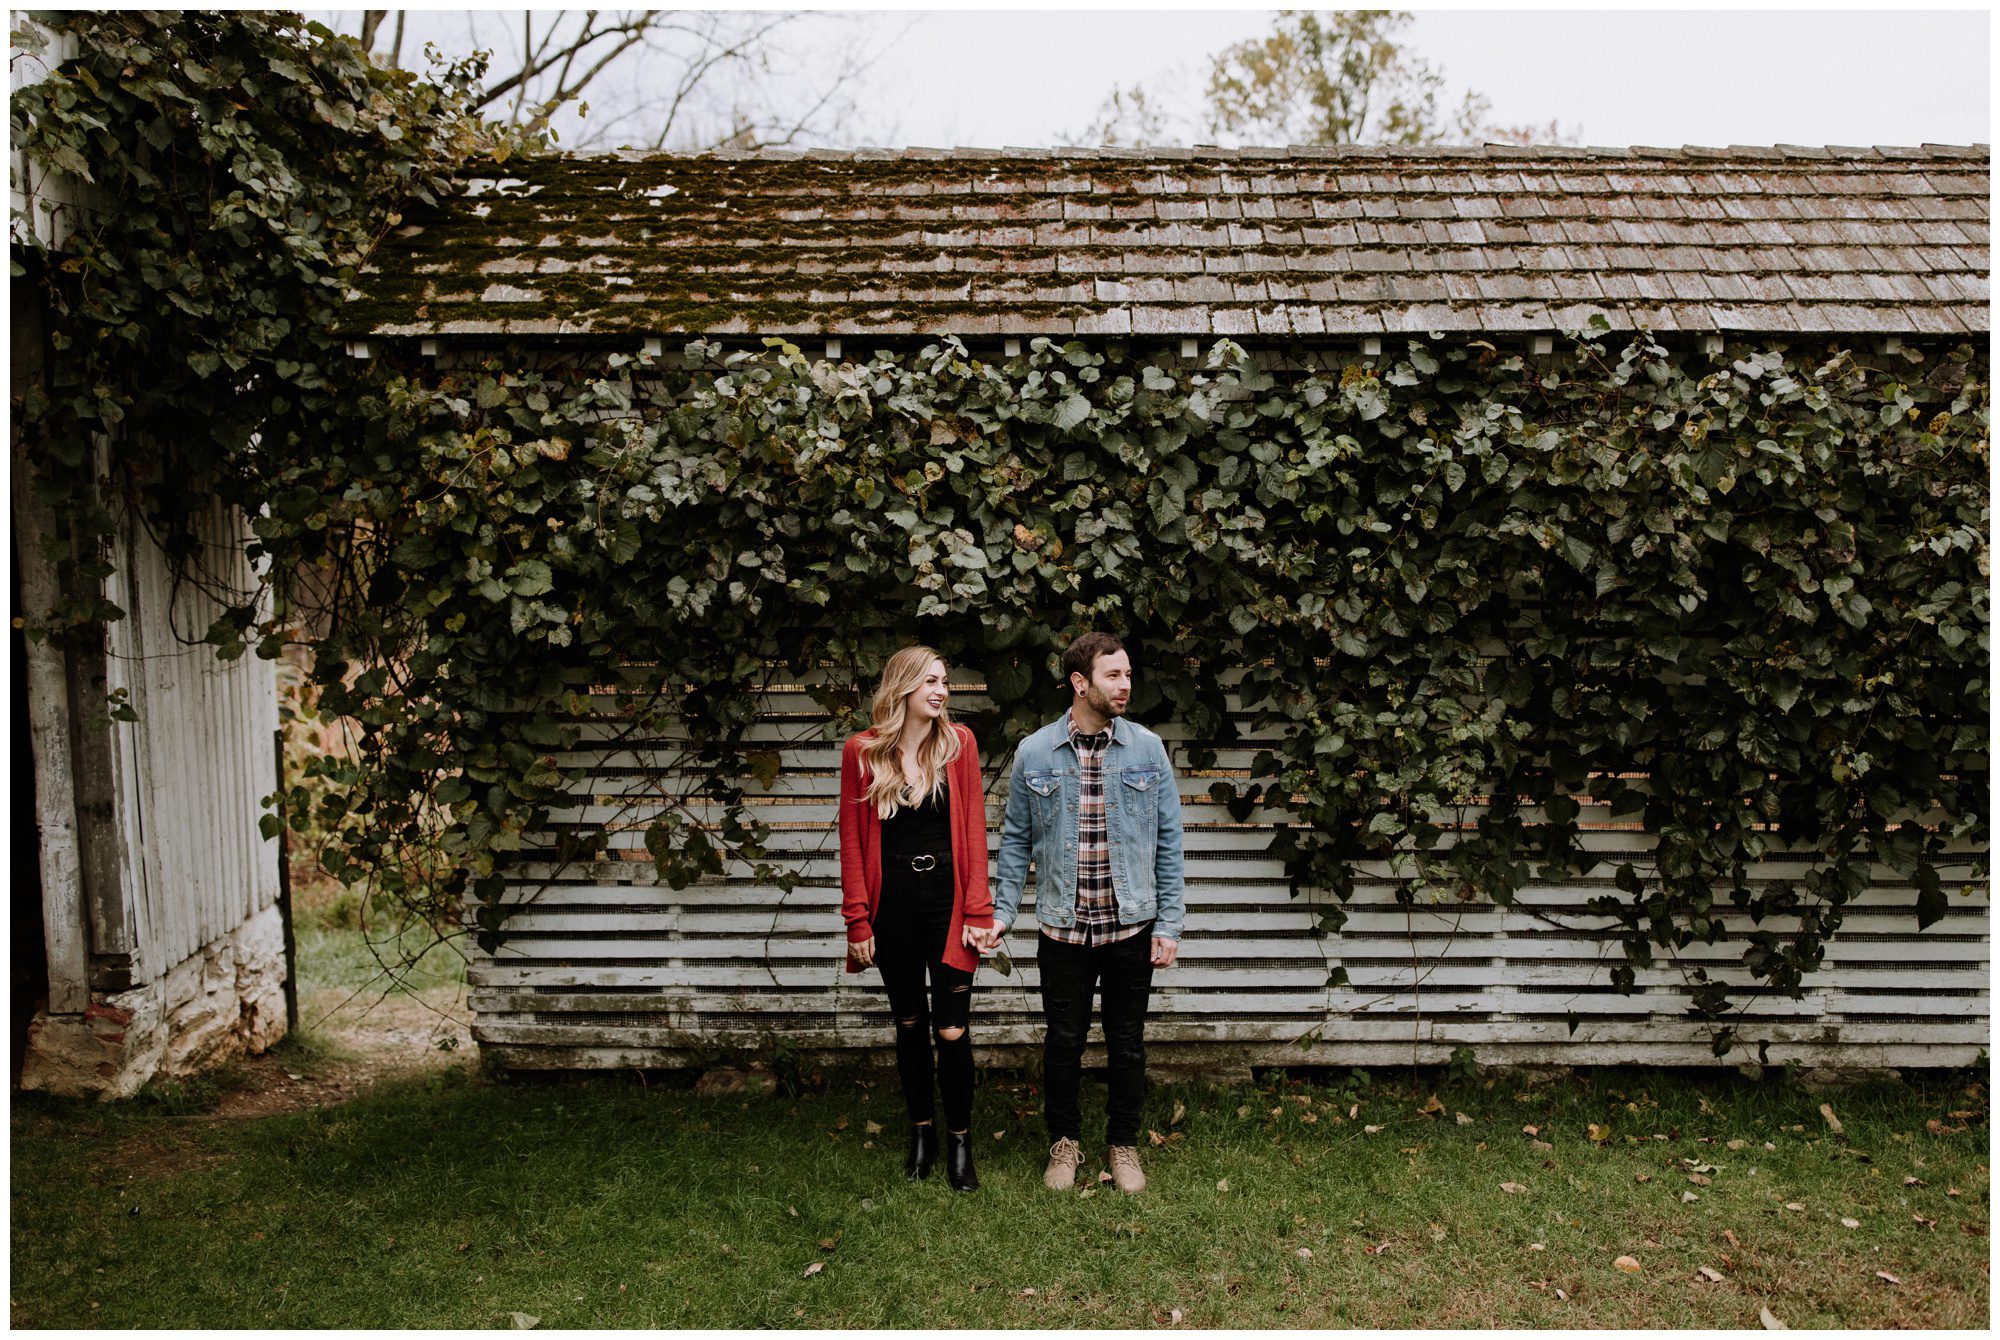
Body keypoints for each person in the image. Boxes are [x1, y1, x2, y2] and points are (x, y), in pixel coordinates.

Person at [978, 631, 1185, 1195]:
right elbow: (1016, 840)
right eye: (1112, 676)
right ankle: (1064, 1144)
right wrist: (1002, 914)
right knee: (1063, 1042)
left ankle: (1123, 1144)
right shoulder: (1035, 752)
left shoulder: (1146, 749)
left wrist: (1168, 924)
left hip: (1129, 927)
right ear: (1080, 683)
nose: (1125, 685)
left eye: (1127, 674)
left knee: (1128, 1043)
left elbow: (1169, 841)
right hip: (1063, 929)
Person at [838, 645, 995, 1192]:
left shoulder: (959, 746)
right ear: (902, 686)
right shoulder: (862, 752)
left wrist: (980, 909)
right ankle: (921, 1134)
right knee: (909, 1025)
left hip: (949, 905)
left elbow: (974, 831)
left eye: (945, 682)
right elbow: (853, 845)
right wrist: (857, 922)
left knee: (951, 1028)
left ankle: (960, 1142)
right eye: (931, 681)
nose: (941, 690)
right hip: (894, 906)